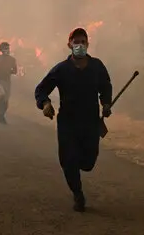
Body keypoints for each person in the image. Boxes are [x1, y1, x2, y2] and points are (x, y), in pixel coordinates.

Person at [35, 27, 112, 212]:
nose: (79, 45)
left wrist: (106, 103)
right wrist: (45, 103)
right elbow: (41, 89)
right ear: (69, 45)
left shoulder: (97, 66)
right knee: (69, 160)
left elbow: (106, 86)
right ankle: (78, 194)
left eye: (83, 42)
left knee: (88, 162)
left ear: (88, 44)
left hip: (90, 122)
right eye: (76, 42)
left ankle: (78, 163)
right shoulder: (61, 69)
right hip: (68, 123)